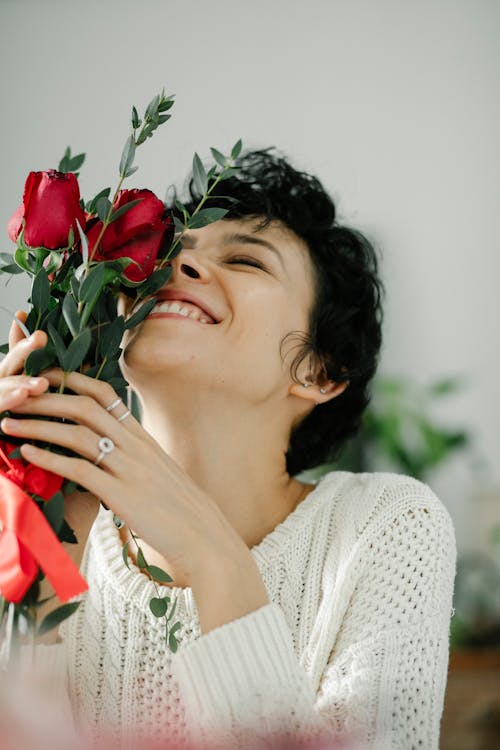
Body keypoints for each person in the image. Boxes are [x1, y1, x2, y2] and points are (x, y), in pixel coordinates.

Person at [0, 150, 456, 749]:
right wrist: (29, 558)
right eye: (169, 252)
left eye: (244, 260)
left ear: (321, 370)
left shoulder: (387, 525)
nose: (178, 264)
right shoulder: (51, 532)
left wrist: (214, 560)